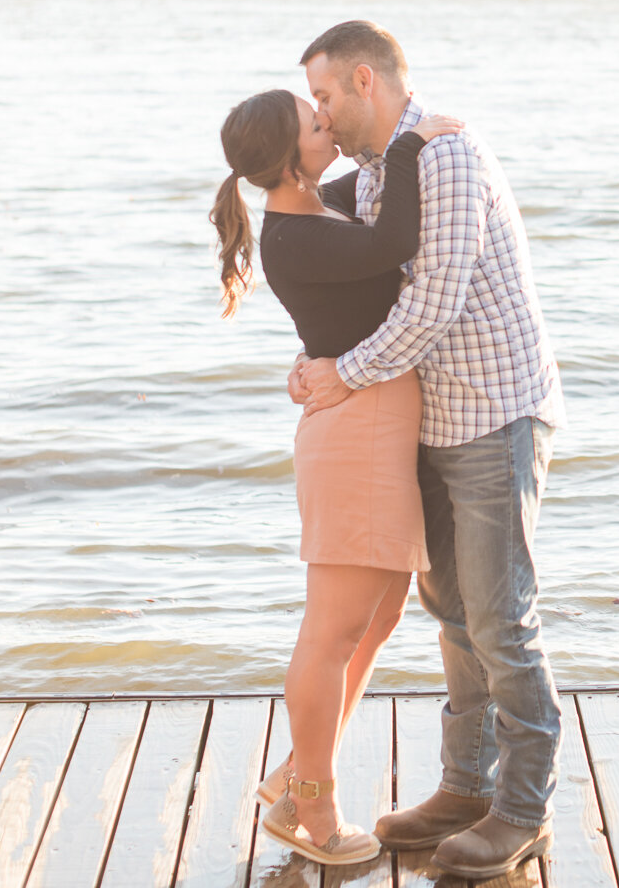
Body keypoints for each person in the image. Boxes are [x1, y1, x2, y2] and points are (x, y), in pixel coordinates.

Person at [290, 20, 566, 880]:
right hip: (431, 421)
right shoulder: (377, 172)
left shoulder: (443, 156)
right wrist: (317, 354)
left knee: (501, 618)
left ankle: (522, 809)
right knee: (451, 613)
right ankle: (465, 787)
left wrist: (342, 375)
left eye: (327, 95)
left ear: (365, 79)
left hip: (494, 414)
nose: (322, 115)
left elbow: (433, 304)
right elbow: (339, 264)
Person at [209, 86, 463, 867]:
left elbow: (373, 191)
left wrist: (397, 143)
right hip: (355, 437)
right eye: (315, 122)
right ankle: (312, 810)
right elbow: (393, 239)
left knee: (378, 618)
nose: (330, 124)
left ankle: (295, 773)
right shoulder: (292, 236)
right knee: (331, 632)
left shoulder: (316, 206)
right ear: (289, 157)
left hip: (379, 427)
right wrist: (421, 139)